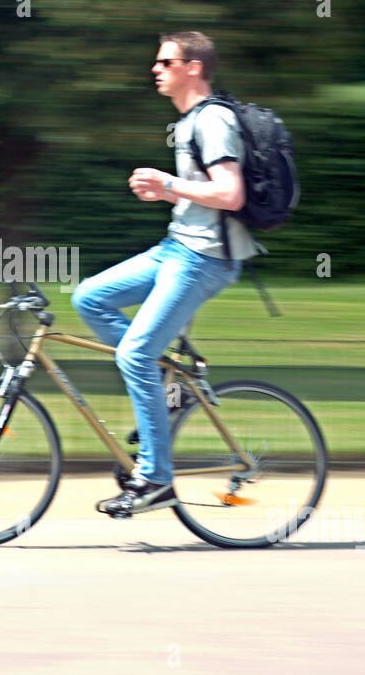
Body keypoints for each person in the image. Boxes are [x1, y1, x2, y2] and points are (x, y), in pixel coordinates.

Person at [71, 30, 256, 516]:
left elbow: (230, 194)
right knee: (89, 298)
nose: (156, 69)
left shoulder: (213, 119)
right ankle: (167, 388)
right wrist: (169, 194)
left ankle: (155, 479)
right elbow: (204, 194)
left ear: (193, 68)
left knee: (133, 352)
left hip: (204, 260)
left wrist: (169, 182)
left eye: (166, 61)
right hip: (176, 248)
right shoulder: (189, 121)